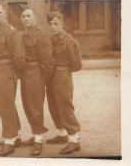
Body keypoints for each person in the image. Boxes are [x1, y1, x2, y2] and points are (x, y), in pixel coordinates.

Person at [0, 0, 25, 156]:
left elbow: (19, 55)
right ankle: (15, 135)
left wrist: (14, 74)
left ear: (5, 14)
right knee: (2, 103)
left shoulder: (11, 32)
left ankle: (9, 140)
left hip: (6, 70)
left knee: (6, 104)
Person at [45, 11, 82, 154]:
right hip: (51, 75)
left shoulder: (69, 41)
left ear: (62, 24)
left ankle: (74, 140)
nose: (53, 27)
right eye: (50, 24)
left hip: (62, 75)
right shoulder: (51, 39)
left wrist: (64, 72)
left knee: (65, 106)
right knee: (53, 105)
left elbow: (77, 64)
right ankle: (61, 135)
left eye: (56, 24)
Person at [19, 7, 54, 156]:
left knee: (35, 107)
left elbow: (48, 61)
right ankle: (35, 134)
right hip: (25, 73)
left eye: (28, 16)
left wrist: (43, 79)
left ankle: (39, 140)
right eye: (23, 16)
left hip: (36, 73)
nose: (26, 19)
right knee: (27, 106)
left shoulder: (40, 36)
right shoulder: (22, 35)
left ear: (34, 18)